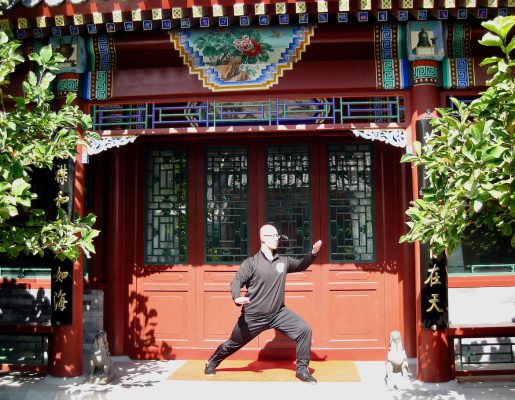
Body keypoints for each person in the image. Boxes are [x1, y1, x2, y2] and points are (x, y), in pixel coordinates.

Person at [204, 224, 323, 385]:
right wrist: (236, 297)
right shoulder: (250, 263)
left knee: (304, 330)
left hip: (278, 313)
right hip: (253, 316)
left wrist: (313, 254)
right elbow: (236, 281)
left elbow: (301, 265)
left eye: (277, 235)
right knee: (233, 343)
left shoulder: (283, 261)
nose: (277, 238)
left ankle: (302, 370)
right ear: (262, 238)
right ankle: (212, 362)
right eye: (272, 235)